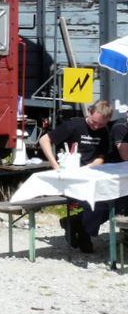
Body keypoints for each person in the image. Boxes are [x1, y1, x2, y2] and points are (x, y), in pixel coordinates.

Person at [38, 100, 113, 253]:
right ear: (90, 112)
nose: (96, 127)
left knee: (113, 202)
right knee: (94, 204)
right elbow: (44, 140)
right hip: (70, 177)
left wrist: (89, 167)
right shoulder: (74, 125)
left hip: (90, 175)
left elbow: (101, 156)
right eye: (94, 123)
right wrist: (55, 165)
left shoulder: (103, 131)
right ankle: (82, 229)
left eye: (101, 124)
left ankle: (75, 223)